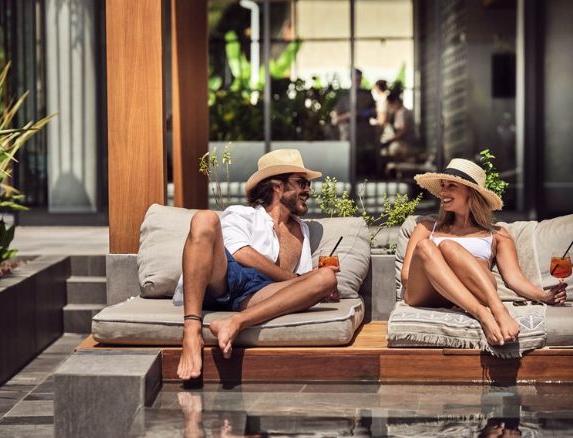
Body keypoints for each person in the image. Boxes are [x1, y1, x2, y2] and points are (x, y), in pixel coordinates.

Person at [174, 149, 340, 380]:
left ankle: (236, 322)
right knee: (204, 218)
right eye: (301, 183)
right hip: (223, 278)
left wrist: (319, 288)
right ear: (277, 187)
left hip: (257, 294)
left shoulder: (302, 230)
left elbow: (300, 282)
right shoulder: (243, 215)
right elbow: (239, 253)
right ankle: (191, 330)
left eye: (308, 184)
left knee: (326, 278)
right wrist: (295, 280)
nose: (308, 190)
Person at [401, 158, 566, 346]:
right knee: (426, 246)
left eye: (452, 186)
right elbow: (406, 276)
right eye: (443, 186)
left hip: (475, 291)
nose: (444, 192)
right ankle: (483, 314)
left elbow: (513, 277)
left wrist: (544, 296)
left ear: (471, 192)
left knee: (448, 246)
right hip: (426, 293)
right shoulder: (426, 227)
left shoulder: (497, 234)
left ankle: (497, 310)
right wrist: (444, 277)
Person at [331, 69, 378, 178]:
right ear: (351, 79)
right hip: (349, 132)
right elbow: (335, 119)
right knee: (350, 160)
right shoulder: (345, 96)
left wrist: (365, 113)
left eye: (359, 79)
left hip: (364, 133)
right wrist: (349, 115)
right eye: (355, 79)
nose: (357, 81)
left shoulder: (367, 94)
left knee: (366, 160)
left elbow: (375, 113)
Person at [381, 92, 416, 159]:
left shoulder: (406, 113)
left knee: (394, 149)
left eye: (392, 104)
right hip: (397, 140)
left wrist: (391, 140)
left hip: (406, 142)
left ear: (396, 102)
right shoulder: (395, 113)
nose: (391, 107)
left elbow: (404, 131)